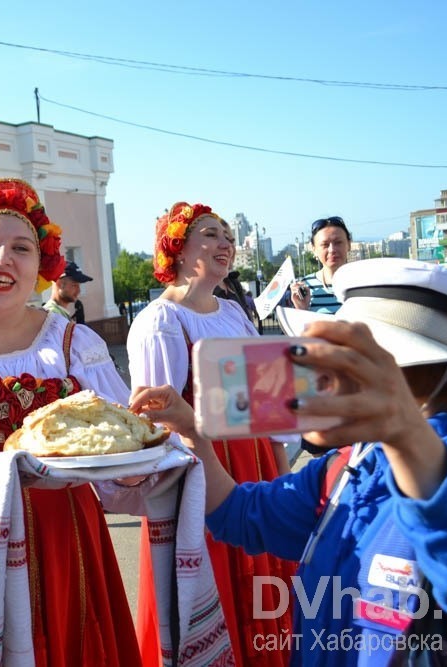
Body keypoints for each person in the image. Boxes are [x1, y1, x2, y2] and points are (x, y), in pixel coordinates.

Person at [0, 178, 222, 667]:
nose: (3, 258)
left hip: (64, 539)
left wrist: (156, 450)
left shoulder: (72, 344)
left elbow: (118, 454)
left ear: (41, 268)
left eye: (21, 248)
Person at [132, 257, 447, 666]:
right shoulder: (349, 467)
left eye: (346, 362)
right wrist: (193, 433)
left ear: (417, 371)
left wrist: (405, 436)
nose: (319, 376)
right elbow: (239, 514)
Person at [126, 201, 294, 667]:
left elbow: (265, 403)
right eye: (210, 234)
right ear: (177, 251)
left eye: (227, 236)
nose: (225, 244)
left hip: (254, 461)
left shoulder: (233, 311)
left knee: (263, 571)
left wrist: (280, 475)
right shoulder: (160, 322)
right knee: (214, 583)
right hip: (201, 472)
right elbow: (157, 425)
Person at [290, 216, 352, 314]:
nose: (332, 250)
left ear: (349, 244)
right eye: (325, 245)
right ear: (314, 249)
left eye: (338, 242)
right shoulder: (305, 287)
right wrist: (302, 310)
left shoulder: (364, 283)